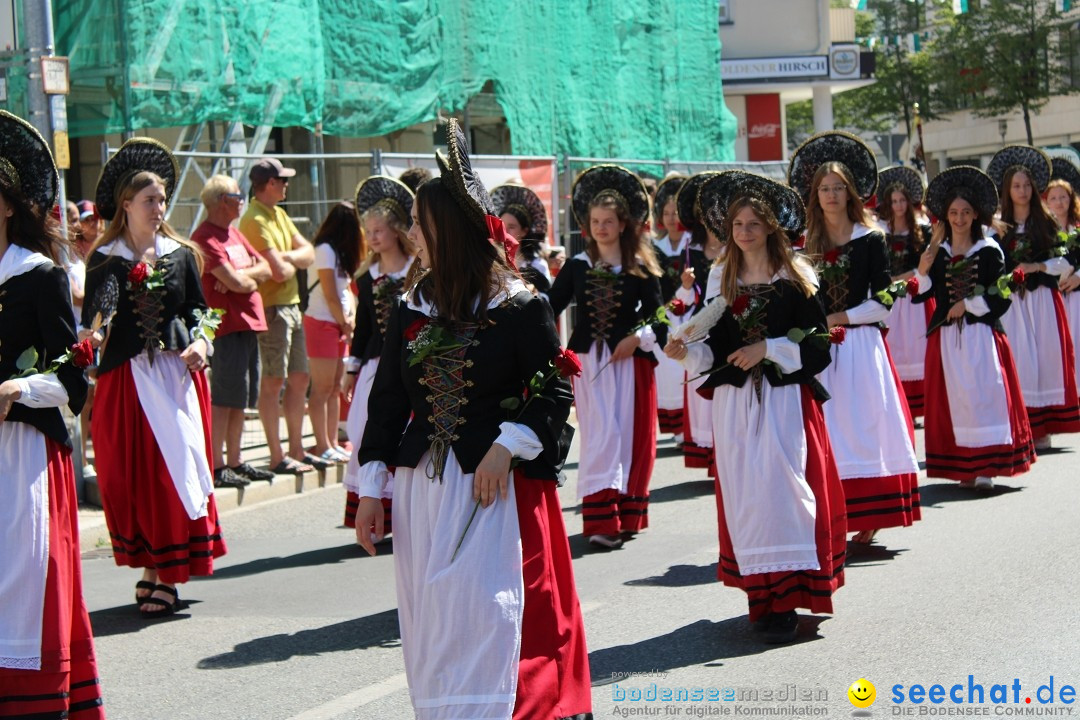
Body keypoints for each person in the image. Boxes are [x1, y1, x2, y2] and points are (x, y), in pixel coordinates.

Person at [354, 118, 591, 720]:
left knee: (495, 611)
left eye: (421, 224)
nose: (411, 234)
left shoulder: (519, 304)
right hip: (423, 490)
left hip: (495, 489)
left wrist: (505, 447)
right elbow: (387, 398)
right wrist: (371, 487)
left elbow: (552, 391)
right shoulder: (413, 306)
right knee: (434, 615)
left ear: (450, 232)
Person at [665, 170, 845, 645]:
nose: (744, 231)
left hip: (785, 401)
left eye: (753, 223)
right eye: (737, 224)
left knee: (784, 492)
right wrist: (689, 353)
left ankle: (787, 597)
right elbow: (715, 348)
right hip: (736, 404)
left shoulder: (796, 277)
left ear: (769, 227)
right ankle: (761, 598)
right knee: (748, 498)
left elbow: (820, 347)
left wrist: (768, 348)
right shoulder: (719, 279)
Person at [83, 137, 226, 617]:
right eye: (150, 200)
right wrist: (95, 335)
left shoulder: (181, 254)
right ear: (126, 205)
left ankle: (166, 575)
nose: (159, 207)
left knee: (170, 476)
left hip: (174, 380)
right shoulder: (106, 261)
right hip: (127, 384)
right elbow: (99, 309)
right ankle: (150, 568)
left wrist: (202, 344)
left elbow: (204, 314)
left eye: (163, 199)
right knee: (134, 479)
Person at [0, 109, 104, 719]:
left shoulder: (40, 277)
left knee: (22, 573)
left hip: (23, 455)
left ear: (9, 204)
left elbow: (72, 382)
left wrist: (15, 389)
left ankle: (33, 699)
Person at [788, 131, 920, 546]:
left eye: (837, 188)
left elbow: (883, 303)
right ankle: (833, 512)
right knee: (828, 430)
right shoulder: (803, 245)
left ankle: (871, 513)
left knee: (864, 425)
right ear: (814, 194)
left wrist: (839, 315)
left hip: (861, 346)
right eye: (824, 189)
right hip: (820, 348)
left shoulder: (871, 239)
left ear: (850, 193)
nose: (830, 195)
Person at [547, 165, 665, 550]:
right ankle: (602, 518)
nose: (601, 228)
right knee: (600, 436)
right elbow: (550, 306)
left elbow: (659, 318)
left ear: (622, 224)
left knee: (630, 437)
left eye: (608, 221)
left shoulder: (641, 266)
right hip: (588, 361)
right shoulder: (578, 265)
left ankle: (626, 514)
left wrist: (636, 337)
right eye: (595, 221)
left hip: (628, 363)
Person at [912, 166, 1034, 488]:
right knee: (958, 401)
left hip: (982, 334)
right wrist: (923, 270)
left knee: (984, 395)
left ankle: (986, 468)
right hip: (948, 338)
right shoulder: (937, 253)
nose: (959, 218)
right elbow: (922, 294)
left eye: (965, 212)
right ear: (945, 216)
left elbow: (1001, 295)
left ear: (976, 214)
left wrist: (966, 304)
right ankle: (965, 466)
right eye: (953, 212)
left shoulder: (990, 250)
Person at [988, 145, 1080, 449]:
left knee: (1047, 358)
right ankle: (1022, 424)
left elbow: (1064, 263)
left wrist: (1037, 266)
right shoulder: (998, 227)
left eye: (1027, 185)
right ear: (1007, 189)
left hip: (1043, 299)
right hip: (1014, 303)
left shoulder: (1048, 222)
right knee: (1020, 360)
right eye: (1016, 185)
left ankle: (1045, 428)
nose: (1023, 190)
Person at [190, 174, 274, 488]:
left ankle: (235, 460)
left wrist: (241, 274)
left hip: (248, 323)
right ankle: (218, 463)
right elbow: (241, 282)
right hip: (225, 326)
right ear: (222, 201)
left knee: (241, 397)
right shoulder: (206, 238)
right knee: (225, 397)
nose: (242, 199)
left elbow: (266, 268)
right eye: (238, 196)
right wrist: (244, 277)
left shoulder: (234, 234)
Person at [239, 157, 320, 474]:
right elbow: (280, 269)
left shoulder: (279, 215)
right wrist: (290, 258)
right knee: (274, 382)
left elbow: (308, 253)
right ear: (269, 184)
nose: (286, 184)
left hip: (292, 305)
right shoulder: (254, 219)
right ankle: (277, 455)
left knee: (300, 378)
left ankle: (296, 449)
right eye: (282, 180)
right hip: (272, 310)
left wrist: (286, 257)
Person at [342, 176, 415, 530]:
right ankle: (373, 505)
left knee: (402, 429)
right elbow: (365, 329)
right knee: (362, 429)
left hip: (410, 361)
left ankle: (398, 508)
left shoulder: (416, 272)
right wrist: (351, 368)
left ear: (397, 231)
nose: (372, 237)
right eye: (367, 231)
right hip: (375, 364)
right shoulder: (366, 277)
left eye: (378, 230)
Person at [675, 171, 723, 474]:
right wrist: (685, 285)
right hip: (698, 327)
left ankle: (723, 457)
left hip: (728, 322)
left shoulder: (736, 245)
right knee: (703, 394)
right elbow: (683, 300)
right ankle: (709, 457)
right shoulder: (690, 250)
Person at [877, 166, 934, 417]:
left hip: (913, 294)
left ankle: (920, 402)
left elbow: (926, 263)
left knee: (916, 345)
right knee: (896, 346)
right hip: (891, 296)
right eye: (894, 201)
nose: (898, 205)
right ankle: (902, 401)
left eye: (902, 201)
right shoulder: (880, 231)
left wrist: (903, 277)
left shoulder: (921, 229)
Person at [651, 174, 692, 439]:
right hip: (665, 314)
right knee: (668, 370)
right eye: (665, 213)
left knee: (688, 366)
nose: (670, 218)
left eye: (675, 212)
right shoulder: (655, 246)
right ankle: (676, 426)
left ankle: (689, 428)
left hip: (690, 314)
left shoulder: (694, 244)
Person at [1047, 158, 1080, 401]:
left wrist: (1078, 276)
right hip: (1053, 294)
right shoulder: (1042, 229)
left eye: (1063, 197)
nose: (1059, 202)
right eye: (1054, 198)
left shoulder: (1077, 227)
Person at [491, 182, 553, 293]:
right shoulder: (491, 262)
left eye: (512, 227)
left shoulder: (537, 265)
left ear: (524, 231)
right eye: (502, 225)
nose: (505, 231)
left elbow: (548, 302)